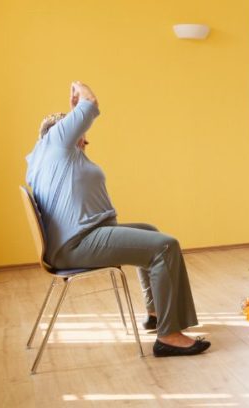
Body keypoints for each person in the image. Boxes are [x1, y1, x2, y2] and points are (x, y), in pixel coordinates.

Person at [25, 82, 209, 357]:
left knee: (150, 231)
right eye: (79, 133)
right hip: (79, 242)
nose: (85, 140)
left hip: (79, 238)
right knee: (165, 246)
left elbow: (76, 126)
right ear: (64, 133)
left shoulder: (44, 156)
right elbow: (92, 103)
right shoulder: (56, 144)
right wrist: (79, 91)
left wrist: (74, 114)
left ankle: (156, 313)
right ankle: (169, 336)